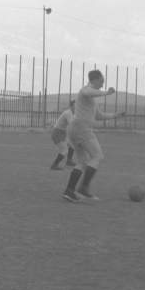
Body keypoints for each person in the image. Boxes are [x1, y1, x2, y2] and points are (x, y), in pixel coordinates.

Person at [62, 69, 125, 203]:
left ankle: (69, 191)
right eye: (101, 82)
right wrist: (107, 93)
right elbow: (89, 92)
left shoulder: (90, 99)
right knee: (97, 157)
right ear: (94, 80)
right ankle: (83, 189)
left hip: (76, 128)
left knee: (82, 162)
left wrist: (115, 115)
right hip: (82, 128)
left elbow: (98, 115)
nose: (102, 85)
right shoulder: (85, 90)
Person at [50, 100, 76, 170]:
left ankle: (69, 161)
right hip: (57, 133)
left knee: (72, 145)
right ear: (71, 106)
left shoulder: (73, 113)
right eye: (75, 105)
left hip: (62, 133)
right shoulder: (68, 113)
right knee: (65, 150)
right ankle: (54, 165)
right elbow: (72, 124)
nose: (77, 107)